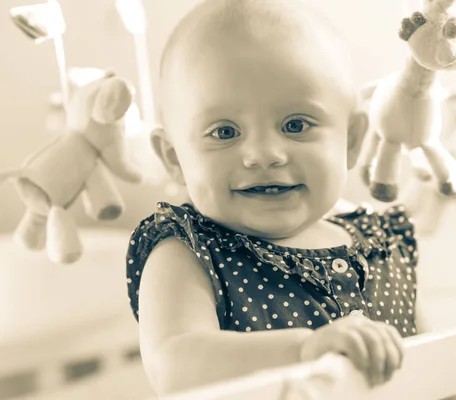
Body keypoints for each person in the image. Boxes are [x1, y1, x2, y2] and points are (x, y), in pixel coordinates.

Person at [125, 0, 419, 396]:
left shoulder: (382, 243)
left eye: (295, 125)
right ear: (174, 158)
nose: (263, 154)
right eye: (225, 132)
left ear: (350, 141)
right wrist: (303, 350)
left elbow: (431, 359)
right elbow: (173, 363)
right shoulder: (187, 252)